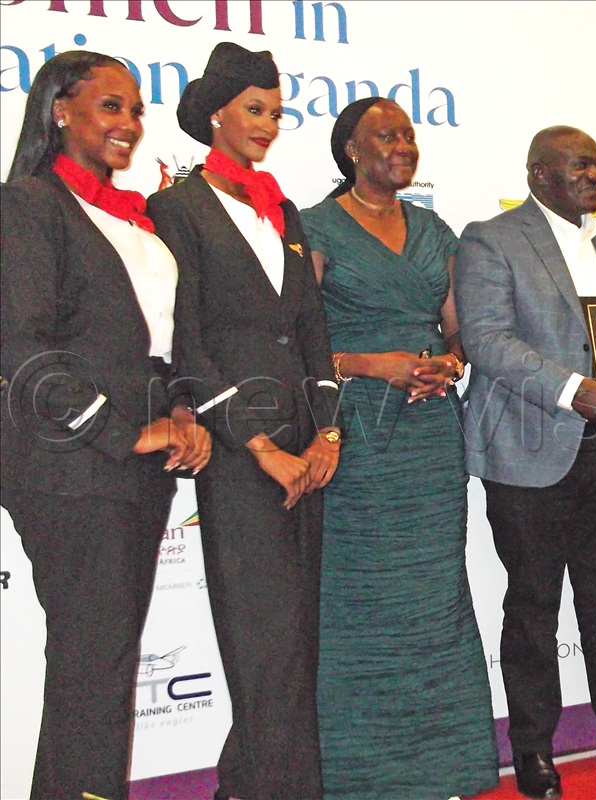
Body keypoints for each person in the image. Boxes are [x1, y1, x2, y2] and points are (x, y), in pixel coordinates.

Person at [0, 50, 211, 800]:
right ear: (60, 110)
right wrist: (120, 429)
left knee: (100, 662)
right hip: (71, 465)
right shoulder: (28, 204)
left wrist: (181, 413)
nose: (130, 122)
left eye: (136, 109)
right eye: (111, 106)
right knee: (95, 664)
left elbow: (157, 342)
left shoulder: (132, 218)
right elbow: (18, 344)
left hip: (135, 468)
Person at [454, 126, 596, 800]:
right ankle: (532, 749)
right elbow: (486, 340)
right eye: (578, 164)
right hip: (528, 454)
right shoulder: (490, 240)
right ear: (537, 174)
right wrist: (569, 389)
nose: (593, 175)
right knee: (532, 606)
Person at [146, 43, 341, 800]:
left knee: (295, 643)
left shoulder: (282, 208)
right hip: (240, 456)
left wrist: (326, 431)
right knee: (261, 641)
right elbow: (184, 338)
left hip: (307, 449)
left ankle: (246, 787)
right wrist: (258, 446)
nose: (268, 123)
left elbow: (311, 328)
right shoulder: (177, 209)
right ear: (216, 113)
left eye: (276, 110)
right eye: (255, 109)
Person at [299, 97, 498, 800]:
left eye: (407, 135)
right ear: (350, 150)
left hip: (427, 432)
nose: (401, 145)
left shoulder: (432, 229)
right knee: (362, 599)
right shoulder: (316, 227)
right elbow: (297, 338)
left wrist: (445, 363)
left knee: (433, 594)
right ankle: (359, 775)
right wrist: (370, 363)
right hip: (357, 435)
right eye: (385, 135)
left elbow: (458, 330)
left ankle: (446, 766)